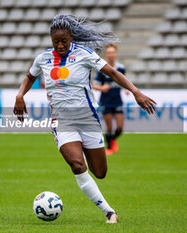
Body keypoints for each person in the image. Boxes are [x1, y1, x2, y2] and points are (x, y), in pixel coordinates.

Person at [13, 15, 156, 223]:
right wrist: (19, 95)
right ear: (51, 39)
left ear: (71, 37)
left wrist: (136, 92)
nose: (60, 45)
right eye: (56, 41)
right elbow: (29, 77)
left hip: (87, 119)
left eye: (64, 41)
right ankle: (109, 212)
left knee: (100, 172)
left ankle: (105, 202)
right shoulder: (42, 58)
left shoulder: (84, 54)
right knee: (78, 165)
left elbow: (113, 74)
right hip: (62, 121)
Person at [92, 43, 129, 155]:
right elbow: (94, 85)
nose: (111, 55)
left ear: (115, 54)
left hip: (117, 100)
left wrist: (127, 89)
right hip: (106, 101)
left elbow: (124, 81)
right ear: (106, 55)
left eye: (112, 53)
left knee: (119, 128)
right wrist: (102, 88)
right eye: (108, 53)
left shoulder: (121, 68)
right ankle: (109, 148)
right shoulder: (102, 69)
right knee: (109, 127)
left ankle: (111, 140)